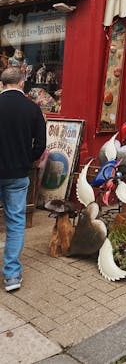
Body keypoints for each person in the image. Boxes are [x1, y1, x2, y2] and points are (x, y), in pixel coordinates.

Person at [0, 67, 46, 292]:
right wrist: (28, 159)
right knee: (16, 222)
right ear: (22, 83)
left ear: (2, 84)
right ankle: (11, 276)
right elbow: (41, 144)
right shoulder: (32, 109)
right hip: (18, 173)